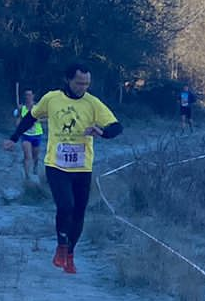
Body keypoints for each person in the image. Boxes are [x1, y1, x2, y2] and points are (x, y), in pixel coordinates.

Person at [7, 65, 123, 274]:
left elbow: (116, 127)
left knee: (79, 212)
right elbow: (31, 117)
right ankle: (61, 246)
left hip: (82, 166)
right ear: (68, 80)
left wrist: (102, 132)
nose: (83, 87)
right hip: (56, 164)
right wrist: (14, 138)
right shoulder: (52, 99)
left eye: (87, 84)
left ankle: (70, 254)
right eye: (79, 83)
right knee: (65, 206)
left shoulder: (93, 103)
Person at [12, 88, 45, 183]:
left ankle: (35, 169)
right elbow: (17, 122)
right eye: (26, 95)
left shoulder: (38, 107)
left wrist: (39, 120)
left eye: (30, 95)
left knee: (35, 156)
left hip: (37, 134)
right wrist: (19, 120)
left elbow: (47, 118)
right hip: (26, 135)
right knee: (27, 156)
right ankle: (27, 177)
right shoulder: (21, 108)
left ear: (33, 96)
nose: (28, 97)